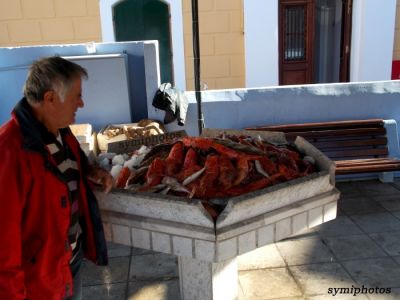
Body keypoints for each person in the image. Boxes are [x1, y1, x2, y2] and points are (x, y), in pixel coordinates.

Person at [0, 56, 114, 299]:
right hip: (37, 282)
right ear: (50, 98)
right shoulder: (9, 151)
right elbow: (3, 244)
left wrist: (91, 170)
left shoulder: (61, 131)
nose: (81, 103)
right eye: (76, 96)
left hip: (68, 265)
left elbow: (70, 166)